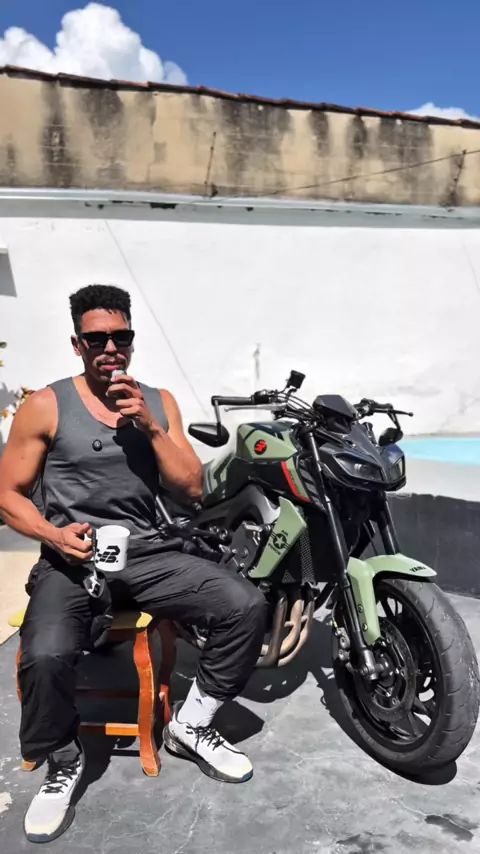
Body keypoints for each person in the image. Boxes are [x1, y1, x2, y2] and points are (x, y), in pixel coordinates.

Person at [0, 284, 267, 844]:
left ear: (131, 341)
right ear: (77, 344)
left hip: (148, 553)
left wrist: (150, 425)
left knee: (243, 604)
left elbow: (192, 488)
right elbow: (7, 496)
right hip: (72, 559)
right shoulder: (45, 405)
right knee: (44, 654)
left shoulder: (158, 401)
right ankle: (63, 759)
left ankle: (191, 725)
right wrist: (53, 534)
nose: (109, 348)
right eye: (96, 339)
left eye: (120, 337)